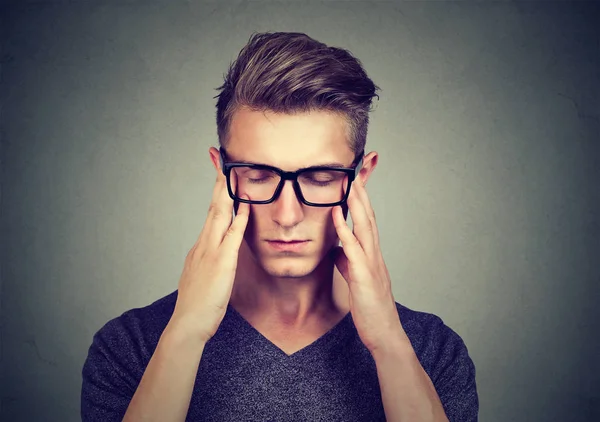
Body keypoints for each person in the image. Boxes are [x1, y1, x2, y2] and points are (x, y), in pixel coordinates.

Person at [81, 31, 478, 422]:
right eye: (258, 175)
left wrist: (390, 344)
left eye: (320, 178)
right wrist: (185, 335)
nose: (287, 216)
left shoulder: (431, 350)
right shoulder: (130, 346)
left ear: (361, 175)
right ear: (222, 171)